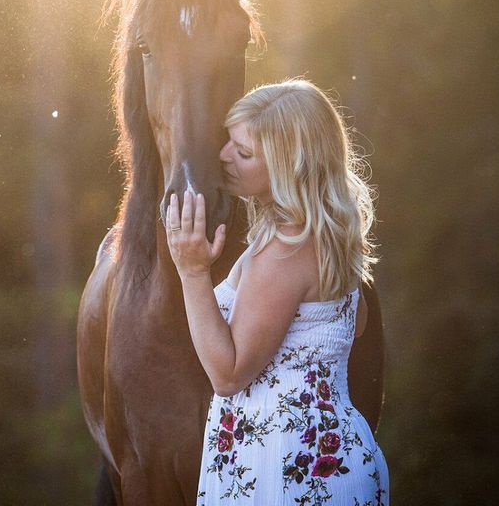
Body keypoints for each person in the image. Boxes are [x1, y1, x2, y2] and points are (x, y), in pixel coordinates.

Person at [165, 78, 389, 505]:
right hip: (326, 459)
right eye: (229, 141)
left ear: (291, 167)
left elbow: (228, 375)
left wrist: (192, 272)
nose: (223, 156)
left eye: (244, 153)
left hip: (285, 472)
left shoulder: (285, 253)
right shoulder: (325, 240)